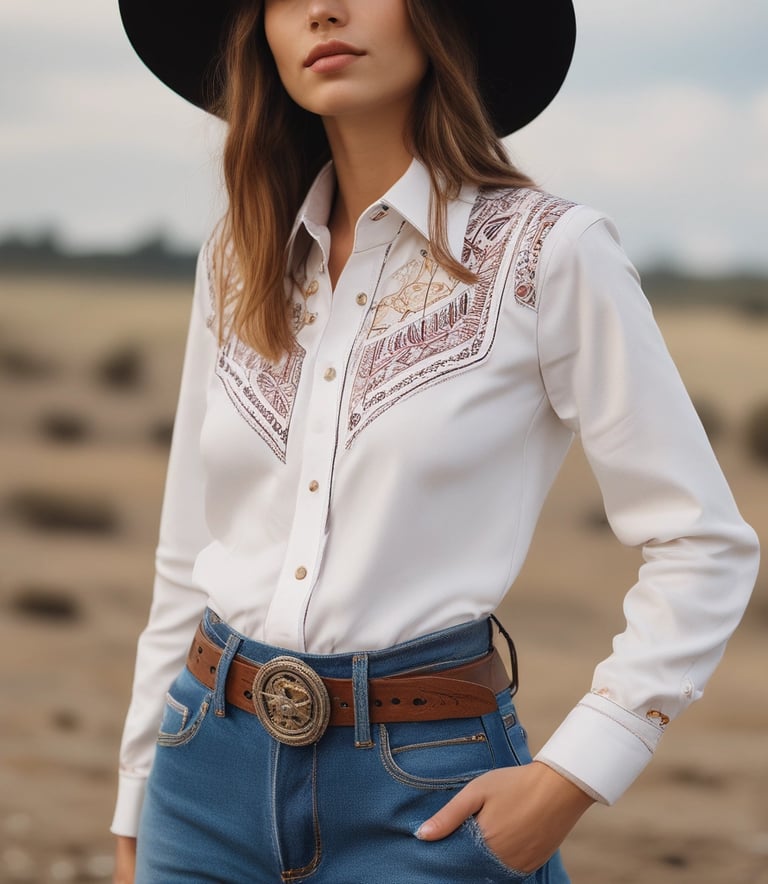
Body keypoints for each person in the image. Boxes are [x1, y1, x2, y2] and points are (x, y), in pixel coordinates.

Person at [111, 1, 759, 881]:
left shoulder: (551, 253)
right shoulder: (238, 256)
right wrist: (139, 785)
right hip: (200, 775)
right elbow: (189, 548)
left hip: (428, 793)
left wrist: (573, 776)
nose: (324, 10)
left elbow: (701, 543)